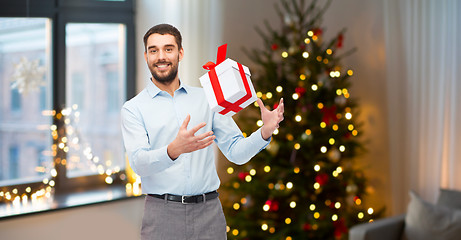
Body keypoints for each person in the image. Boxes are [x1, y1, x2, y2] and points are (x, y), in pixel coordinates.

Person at [121, 23, 284, 240]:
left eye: (168, 49)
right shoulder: (133, 108)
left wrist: (264, 131)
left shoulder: (207, 98)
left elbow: (236, 152)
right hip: (162, 214)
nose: (161, 56)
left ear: (180, 53)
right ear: (146, 56)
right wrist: (173, 150)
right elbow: (139, 163)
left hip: (209, 213)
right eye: (154, 50)